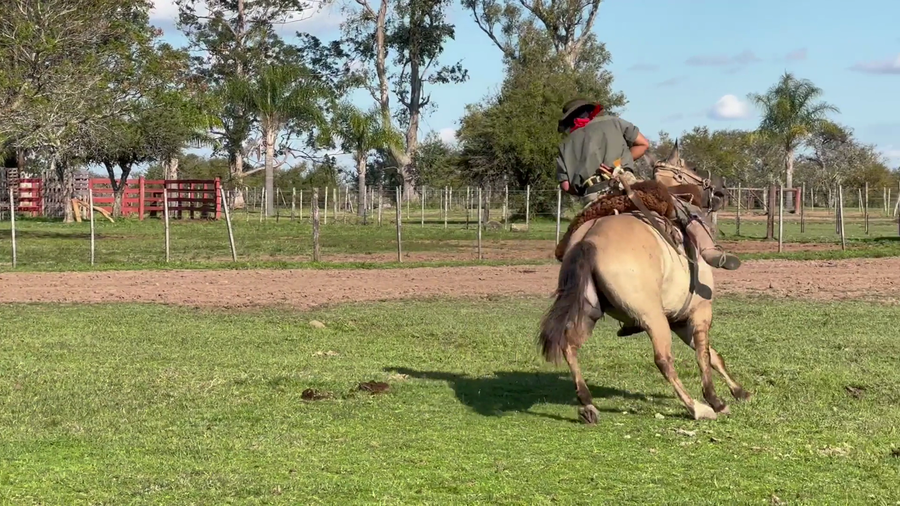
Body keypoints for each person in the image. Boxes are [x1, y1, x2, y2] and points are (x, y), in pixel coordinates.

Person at [555, 98, 741, 271]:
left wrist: (584, 187)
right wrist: (619, 162)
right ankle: (709, 250)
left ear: (570, 121)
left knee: (568, 243)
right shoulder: (613, 122)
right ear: (590, 112)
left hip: (592, 197)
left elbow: (565, 186)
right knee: (680, 206)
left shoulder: (565, 145)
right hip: (625, 185)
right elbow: (643, 145)